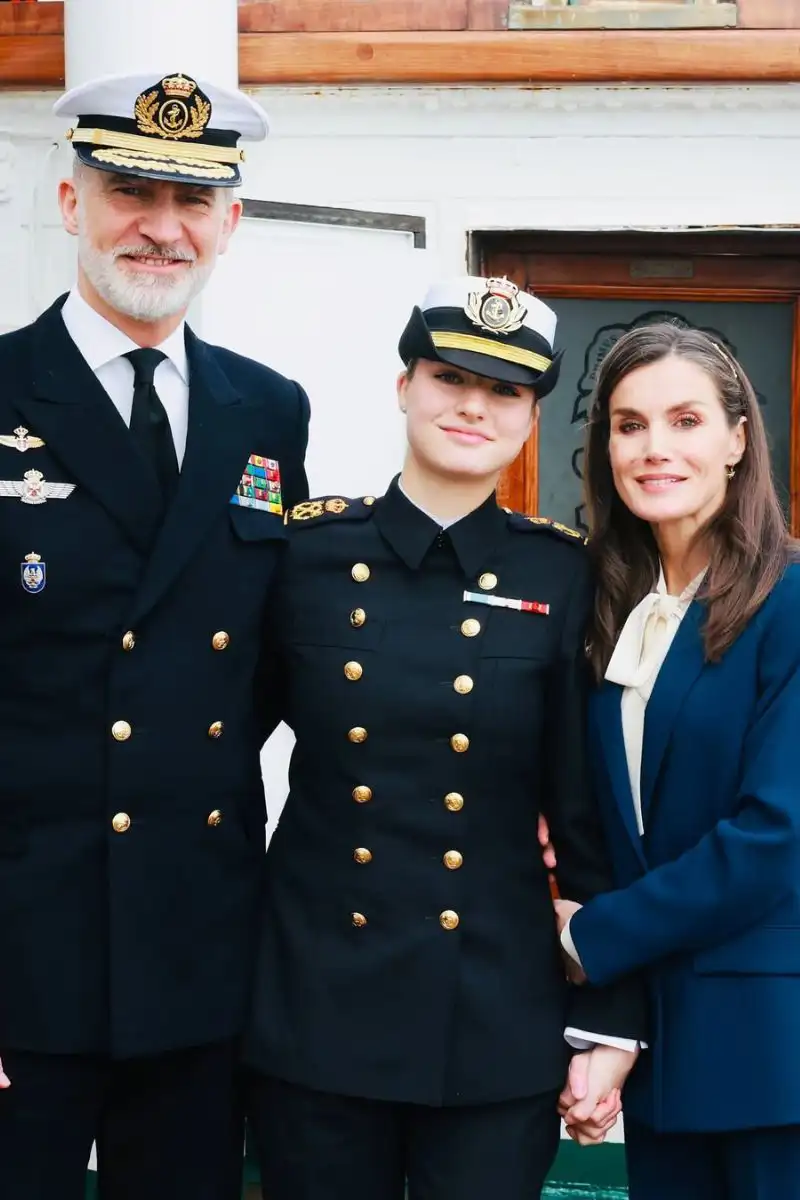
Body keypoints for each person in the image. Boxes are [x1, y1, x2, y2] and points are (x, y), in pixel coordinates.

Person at [243, 276, 646, 1200]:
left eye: (504, 390)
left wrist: (607, 1018)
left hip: (493, 1017)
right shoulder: (303, 556)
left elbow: (587, 816)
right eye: (448, 376)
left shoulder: (567, 575)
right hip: (316, 1008)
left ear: (532, 414)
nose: (472, 404)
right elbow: (211, 758)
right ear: (404, 386)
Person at [0, 70, 309, 1200]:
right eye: (131, 191)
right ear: (72, 202)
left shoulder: (266, 409)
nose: (160, 228)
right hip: (24, 940)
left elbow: (272, 650)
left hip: (195, 941)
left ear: (229, 223)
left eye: (191, 203)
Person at [547, 323, 800, 1199]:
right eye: (629, 424)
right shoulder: (613, 609)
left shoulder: (793, 600)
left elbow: (775, 836)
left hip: (774, 1053)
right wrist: (611, 1032)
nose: (655, 449)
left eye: (685, 420)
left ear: (737, 440)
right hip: (666, 1059)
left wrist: (590, 937)